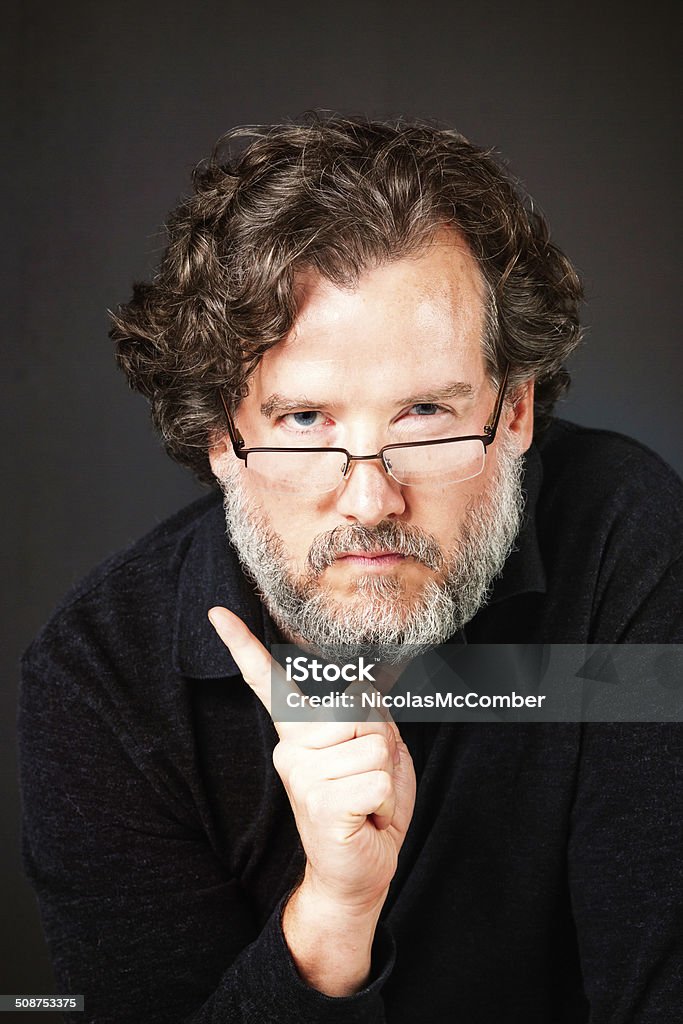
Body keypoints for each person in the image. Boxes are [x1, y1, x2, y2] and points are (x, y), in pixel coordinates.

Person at [19, 116, 682, 1023]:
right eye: (303, 420)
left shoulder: (624, 541)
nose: (370, 501)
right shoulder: (102, 681)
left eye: (422, 412)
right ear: (221, 433)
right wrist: (330, 921)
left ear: (515, 410)